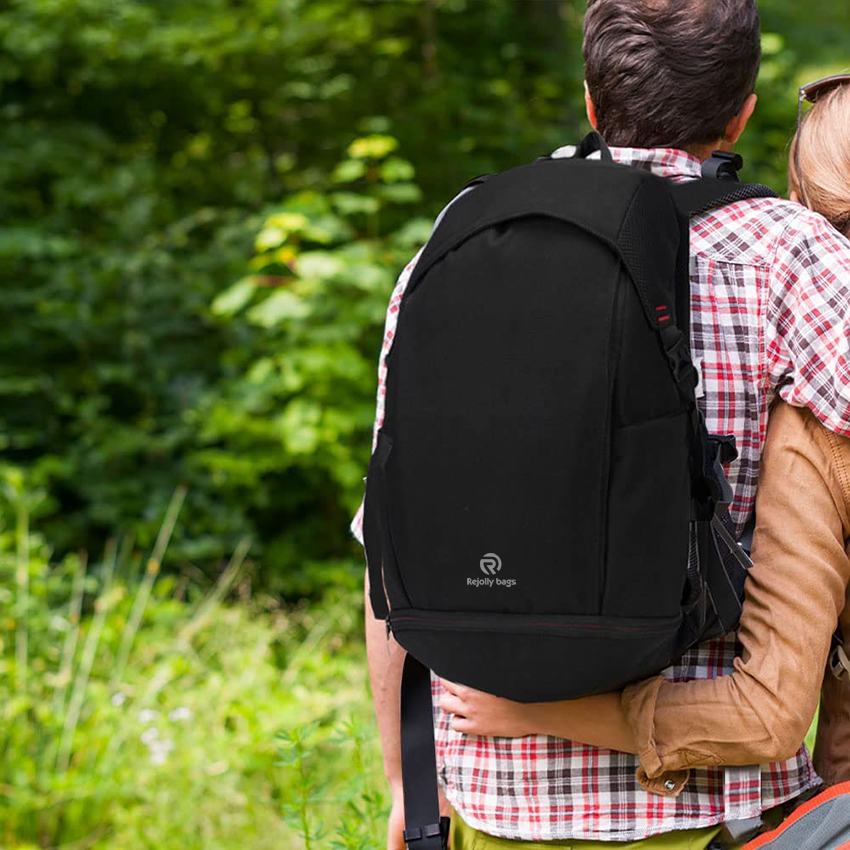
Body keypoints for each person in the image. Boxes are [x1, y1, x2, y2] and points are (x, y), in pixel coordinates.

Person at [353, 2, 850, 846]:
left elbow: (392, 537)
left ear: (590, 100)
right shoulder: (793, 255)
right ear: (743, 109)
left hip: (490, 789)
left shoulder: (462, 236)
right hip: (719, 805)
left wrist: (410, 781)